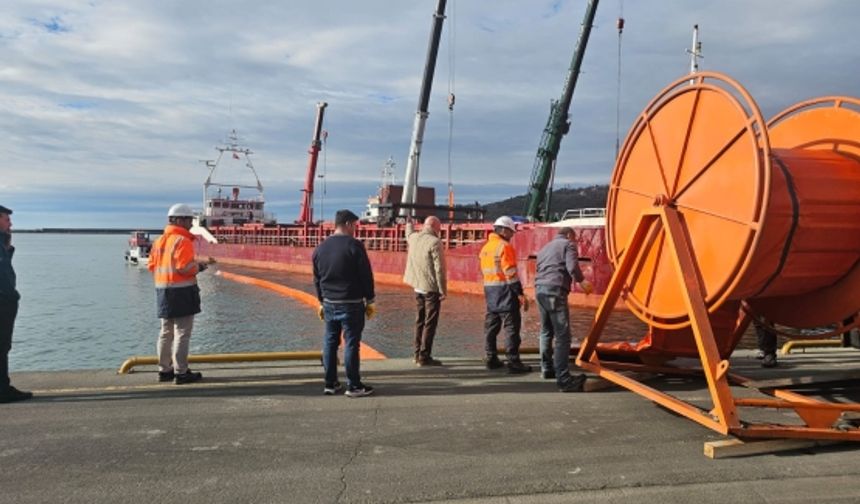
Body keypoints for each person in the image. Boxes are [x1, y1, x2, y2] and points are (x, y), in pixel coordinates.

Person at [148, 203, 214, 385]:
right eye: (188, 220)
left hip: (162, 290)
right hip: (182, 291)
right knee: (182, 333)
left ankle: (164, 370)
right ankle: (181, 372)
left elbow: (151, 266)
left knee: (165, 332)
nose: (191, 224)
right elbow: (184, 268)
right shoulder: (182, 241)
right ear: (179, 220)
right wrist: (200, 266)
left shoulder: (159, 240)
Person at [313, 209, 376, 397]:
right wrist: (370, 298)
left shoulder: (320, 248)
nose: (356, 229)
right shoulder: (354, 246)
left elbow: (317, 278)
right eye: (355, 225)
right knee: (351, 343)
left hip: (330, 302)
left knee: (330, 342)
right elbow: (365, 275)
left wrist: (321, 301)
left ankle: (330, 383)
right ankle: (354, 386)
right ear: (348, 224)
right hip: (352, 303)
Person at [534, 227, 593, 392]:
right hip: (555, 290)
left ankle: (546, 369)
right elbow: (572, 266)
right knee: (563, 336)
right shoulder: (568, 244)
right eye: (574, 238)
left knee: (546, 331)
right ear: (569, 235)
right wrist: (582, 281)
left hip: (539, 290)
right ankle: (564, 379)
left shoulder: (545, 248)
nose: (574, 242)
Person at [479, 216, 531, 374]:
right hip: (506, 292)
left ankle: (491, 358)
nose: (512, 234)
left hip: (490, 292)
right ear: (502, 230)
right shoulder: (505, 247)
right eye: (510, 231)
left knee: (491, 328)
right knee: (511, 328)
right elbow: (511, 273)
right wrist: (520, 293)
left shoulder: (486, 248)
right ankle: (513, 362)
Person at [403, 216, 447, 367]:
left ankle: (416, 354)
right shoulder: (435, 242)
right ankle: (424, 356)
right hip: (430, 289)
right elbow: (439, 269)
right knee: (430, 323)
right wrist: (443, 290)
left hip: (417, 287)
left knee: (419, 320)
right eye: (440, 228)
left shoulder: (414, 238)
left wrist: (409, 224)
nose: (440, 231)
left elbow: (408, 234)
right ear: (435, 227)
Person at [0, 205, 33, 404]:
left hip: (6, 299)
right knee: (1, 345)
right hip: (2, 301)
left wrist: (8, 247)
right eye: (6, 219)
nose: (10, 223)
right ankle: (2, 390)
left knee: (3, 346)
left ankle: (3, 386)